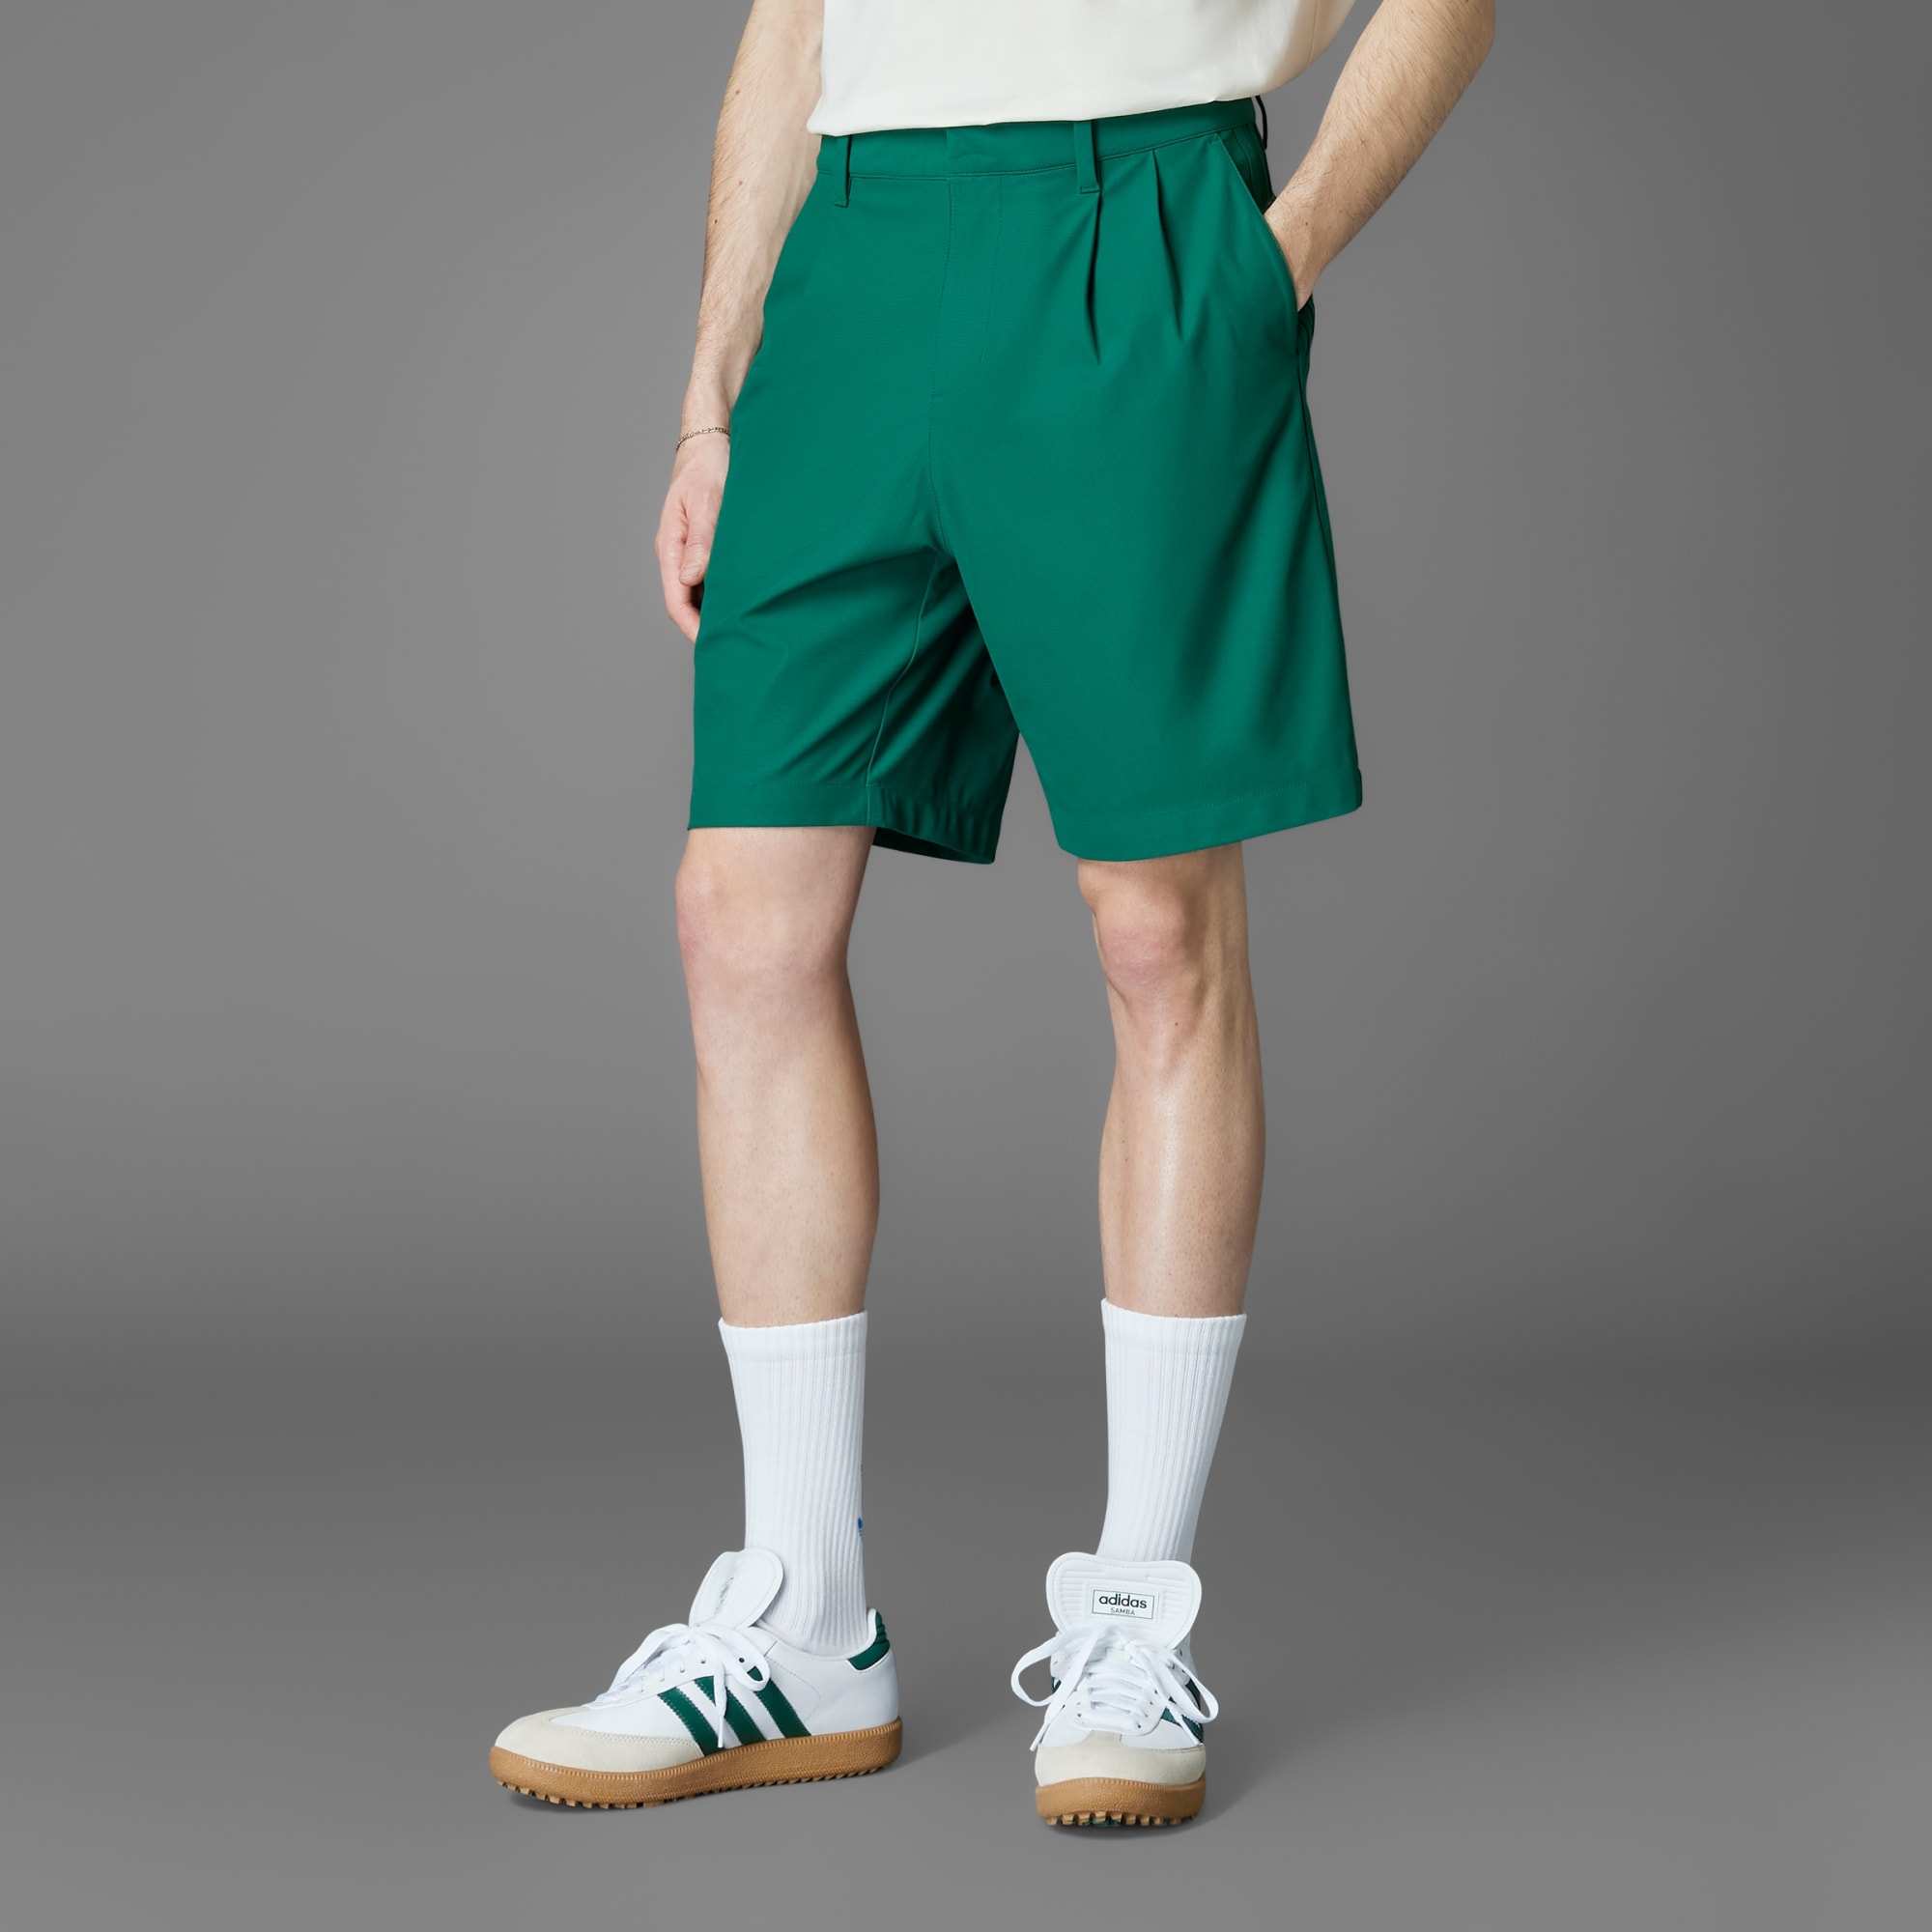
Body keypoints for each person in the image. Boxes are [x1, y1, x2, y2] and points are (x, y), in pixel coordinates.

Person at [491, 0, 1493, 1826]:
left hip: (1143, 229)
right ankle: (802, 1623)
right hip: (859, 259)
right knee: (739, 915)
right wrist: (710, 388)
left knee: (1154, 929)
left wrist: (1268, 268)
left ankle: (1133, 1620)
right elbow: (796, 22)